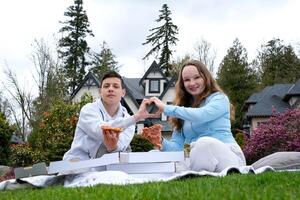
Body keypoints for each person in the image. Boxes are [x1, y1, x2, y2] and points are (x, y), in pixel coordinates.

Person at [146, 60, 246, 172]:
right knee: (153, 155)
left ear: (206, 78)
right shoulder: (182, 110)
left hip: (228, 155)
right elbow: (177, 148)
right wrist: (160, 141)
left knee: (203, 144)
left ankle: (189, 173)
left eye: (197, 77)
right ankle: (190, 174)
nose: (192, 83)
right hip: (198, 159)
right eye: (187, 80)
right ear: (182, 84)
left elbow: (202, 115)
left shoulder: (219, 99)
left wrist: (166, 108)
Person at [63, 71, 151, 161]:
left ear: (123, 93)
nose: (110, 89)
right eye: (106, 86)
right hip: (77, 164)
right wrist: (136, 117)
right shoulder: (88, 110)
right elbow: (100, 130)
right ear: (100, 91)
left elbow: (120, 146)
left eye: (115, 86)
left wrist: (113, 148)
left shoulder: (129, 121)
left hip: (108, 167)